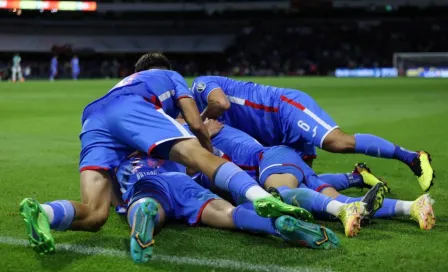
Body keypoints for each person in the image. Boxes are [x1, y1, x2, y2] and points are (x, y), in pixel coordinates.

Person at [19, 53, 303, 255]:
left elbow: (117, 175)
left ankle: (43, 212)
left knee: (94, 214)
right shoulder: (171, 76)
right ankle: (263, 200)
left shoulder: (124, 84)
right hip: (134, 117)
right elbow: (195, 124)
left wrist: (123, 199)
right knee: (199, 156)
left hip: (93, 117)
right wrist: (206, 151)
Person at [191, 76, 434, 192]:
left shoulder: (199, 86)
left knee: (336, 142)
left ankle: (411, 157)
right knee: (302, 181)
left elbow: (221, 103)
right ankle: (357, 177)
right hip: (275, 137)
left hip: (282, 108)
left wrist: (199, 122)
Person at [198, 120, 435, 231]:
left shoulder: (197, 133)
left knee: (281, 195)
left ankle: (344, 206)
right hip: (282, 163)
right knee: (336, 201)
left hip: (270, 158)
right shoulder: (197, 136)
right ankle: (413, 206)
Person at [114, 155, 339, 263]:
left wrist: (119, 204)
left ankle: (144, 215)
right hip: (182, 183)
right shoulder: (169, 145)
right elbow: (199, 167)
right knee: (229, 214)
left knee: (147, 204)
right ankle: (276, 226)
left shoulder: (116, 157)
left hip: (147, 184)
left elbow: (106, 190)